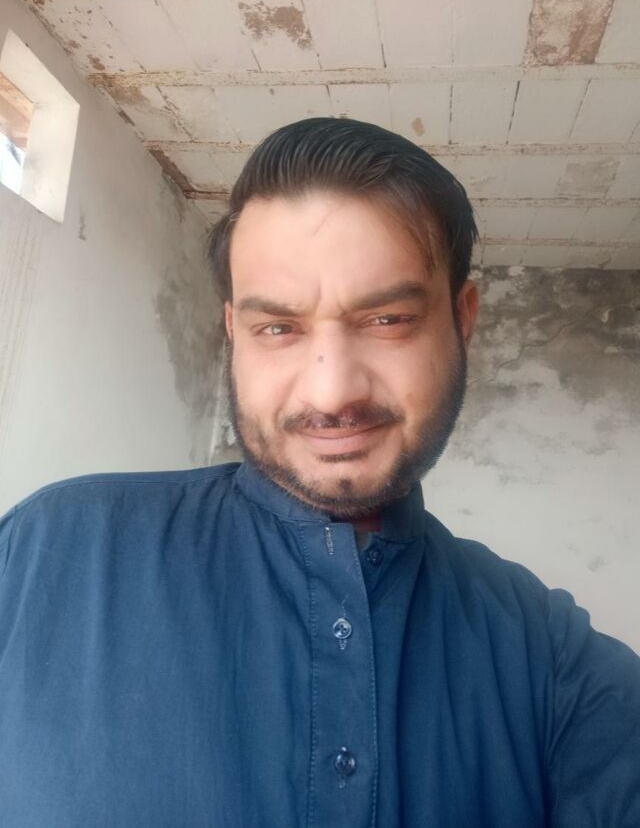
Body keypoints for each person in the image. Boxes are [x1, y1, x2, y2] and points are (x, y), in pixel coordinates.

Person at [0, 117, 638, 828]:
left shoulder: (547, 650)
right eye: (278, 328)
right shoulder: (43, 553)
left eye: (387, 319)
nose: (332, 393)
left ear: (462, 320)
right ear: (234, 332)